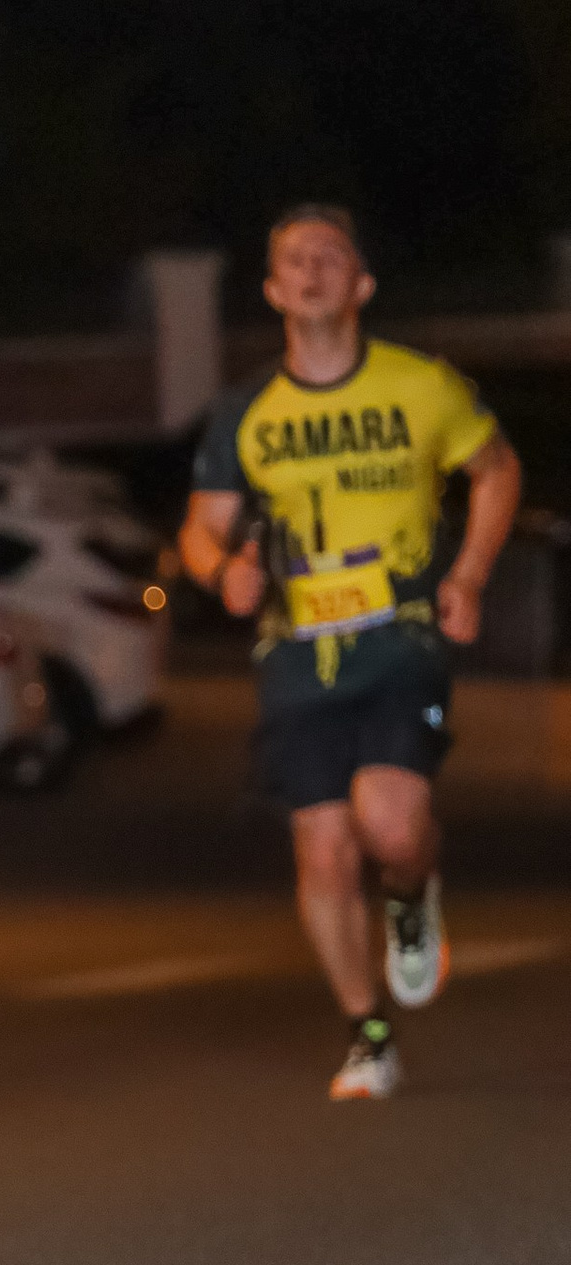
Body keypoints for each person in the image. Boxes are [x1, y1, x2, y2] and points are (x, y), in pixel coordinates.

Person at [179, 205, 521, 1100]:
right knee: (324, 853)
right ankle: (368, 1031)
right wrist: (222, 576)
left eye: (332, 256)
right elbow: (201, 531)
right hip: (296, 651)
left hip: (398, 637)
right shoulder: (244, 413)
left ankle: (411, 896)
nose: (313, 269)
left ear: (362, 285)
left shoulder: (421, 386)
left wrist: (472, 574)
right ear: (272, 290)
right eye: (295, 259)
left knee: (391, 827)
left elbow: (496, 469)